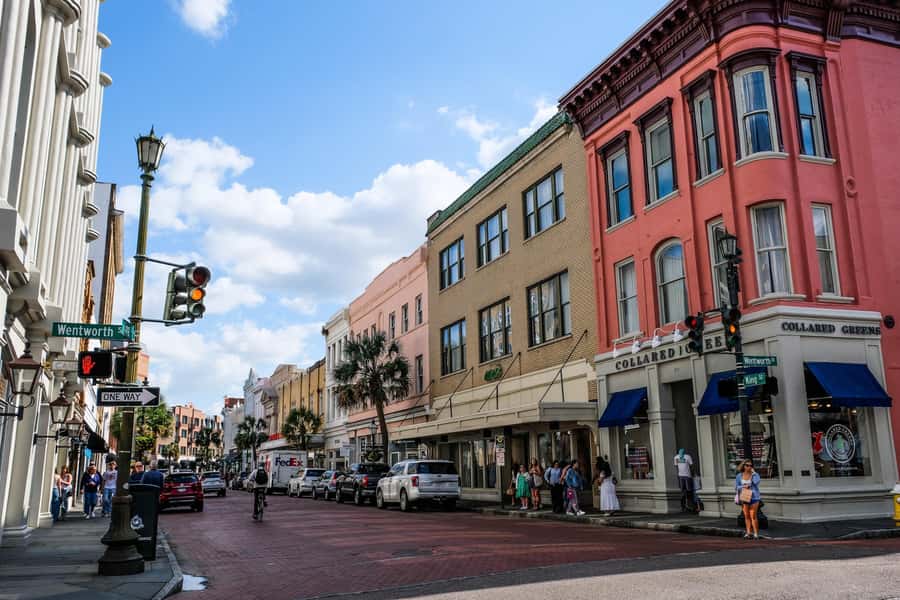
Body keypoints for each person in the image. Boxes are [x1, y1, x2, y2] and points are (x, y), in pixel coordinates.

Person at [735, 459, 761, 539]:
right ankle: (748, 533)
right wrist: (743, 486)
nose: (749, 467)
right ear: (743, 466)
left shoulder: (755, 475)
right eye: (747, 465)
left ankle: (756, 534)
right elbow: (736, 487)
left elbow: (756, 482)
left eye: (750, 465)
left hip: (754, 497)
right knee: (746, 516)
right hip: (745, 495)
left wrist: (754, 473)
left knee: (753, 515)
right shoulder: (739, 476)